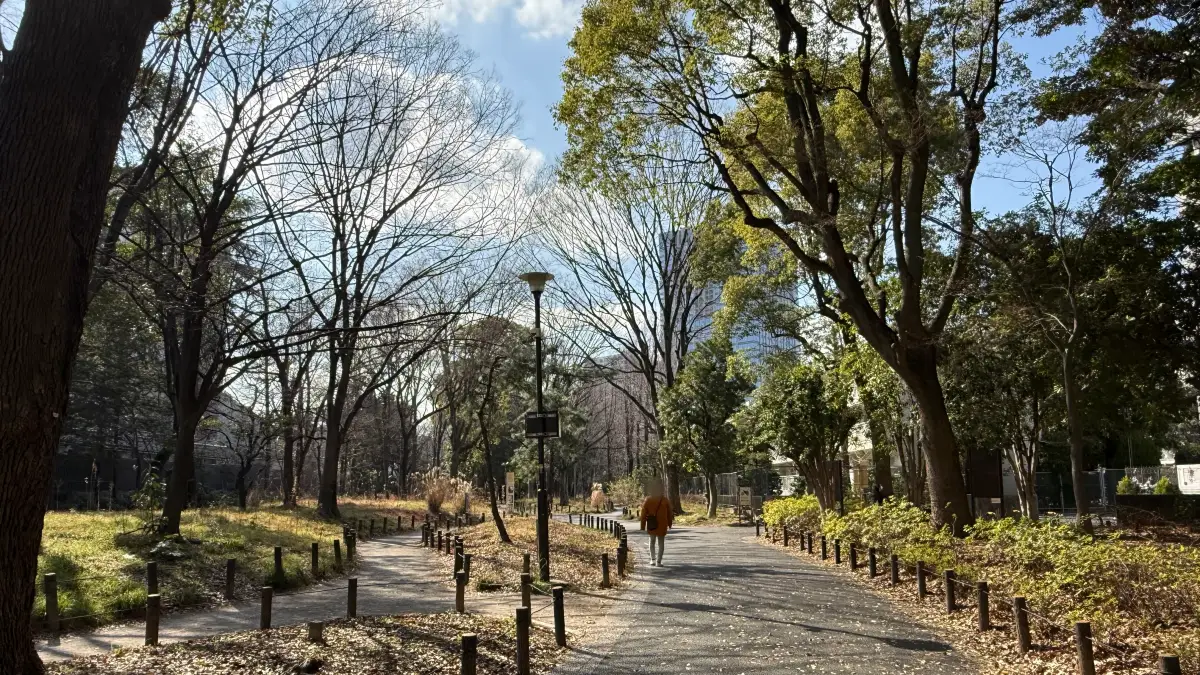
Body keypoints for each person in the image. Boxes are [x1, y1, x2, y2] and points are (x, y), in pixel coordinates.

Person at [639, 478, 674, 567]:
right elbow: (670, 513)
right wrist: (670, 523)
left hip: (652, 523)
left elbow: (643, 513)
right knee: (661, 543)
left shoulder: (648, 500)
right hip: (663, 523)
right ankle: (659, 561)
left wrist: (643, 525)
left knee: (652, 541)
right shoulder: (665, 500)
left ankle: (652, 559)